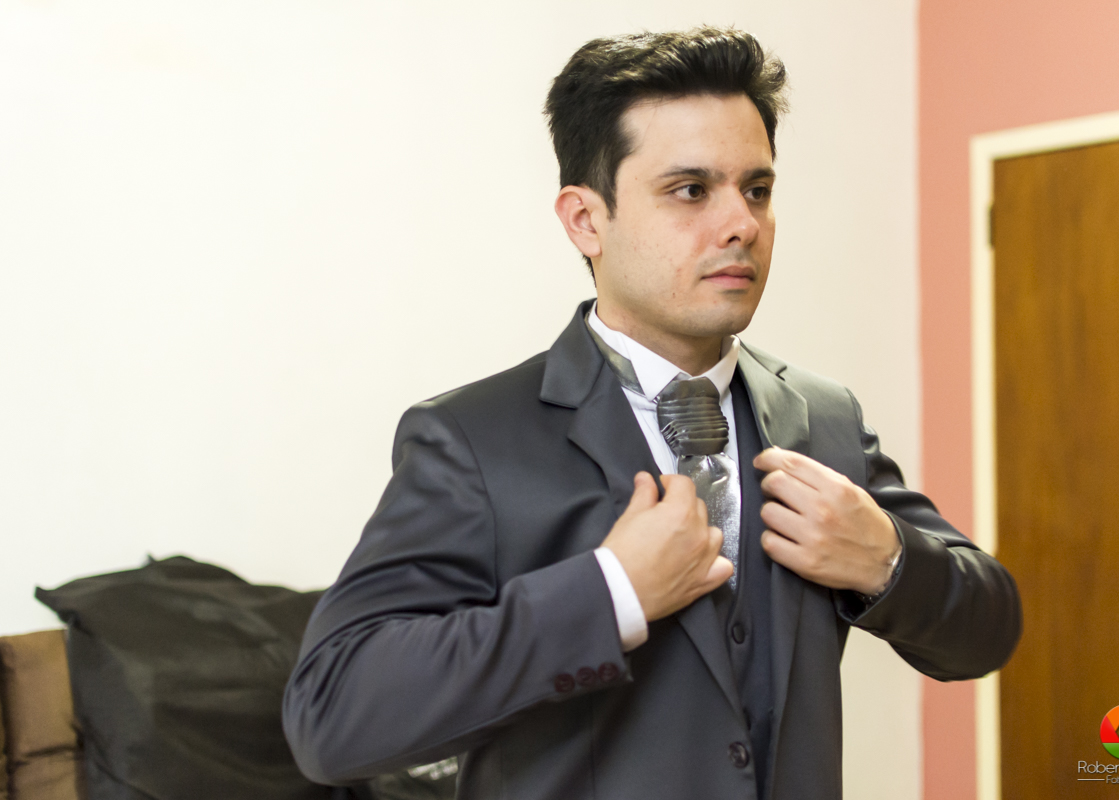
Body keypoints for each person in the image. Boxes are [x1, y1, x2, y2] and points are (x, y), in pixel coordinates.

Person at [282, 26, 1021, 800]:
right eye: (691, 190)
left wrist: (889, 561)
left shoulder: (823, 419)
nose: (742, 224)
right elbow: (330, 717)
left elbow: (988, 631)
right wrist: (612, 593)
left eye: (757, 190)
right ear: (585, 219)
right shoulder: (473, 441)